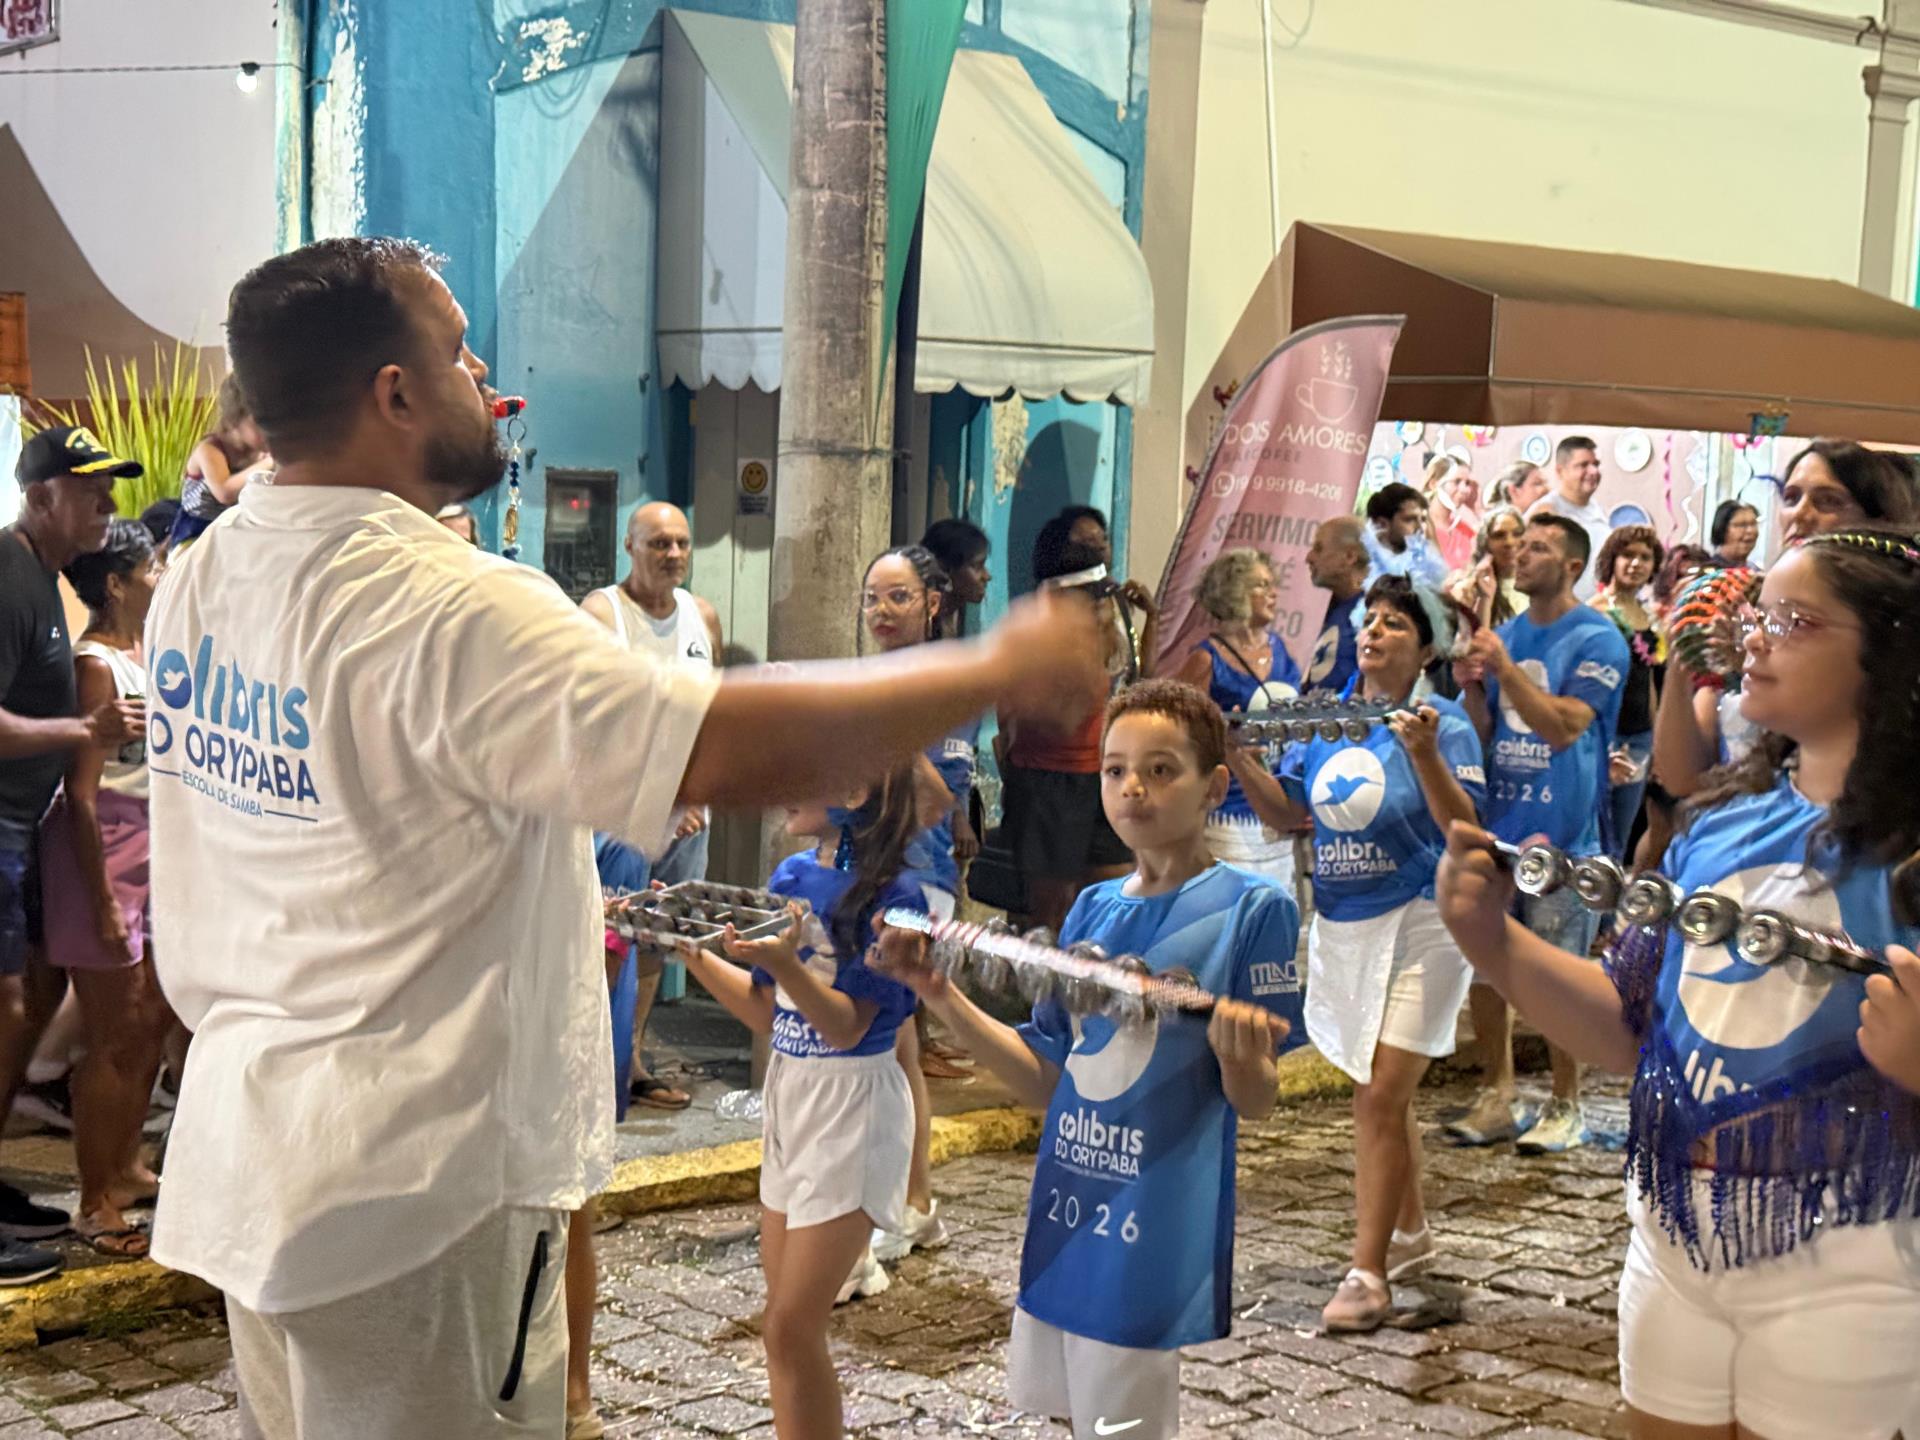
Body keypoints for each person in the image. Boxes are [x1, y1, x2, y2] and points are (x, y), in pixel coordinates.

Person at [144, 236, 1104, 1439]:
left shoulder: (206, 570)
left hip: (254, 1159)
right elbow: (719, 743)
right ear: (393, 393)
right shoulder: (442, 600)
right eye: (453, 347)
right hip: (418, 1192)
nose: (481, 366)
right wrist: (998, 665)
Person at [1434, 522, 1920, 1439]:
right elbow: (1626, 1027)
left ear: (1893, 654)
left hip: (1862, 1263)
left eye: (1796, 621)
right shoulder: (1716, 825)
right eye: (1759, 614)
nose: (1754, 637)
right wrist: (1489, 941)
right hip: (1674, 1250)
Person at [880, 679, 1301, 1440]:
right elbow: (1046, 1077)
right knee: (1071, 1416)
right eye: (1114, 769)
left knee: (1125, 1426)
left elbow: (1258, 1100)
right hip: (1066, 1207)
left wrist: (1241, 1059)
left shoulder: (1252, 909)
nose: (1132, 786)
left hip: (1154, 1226)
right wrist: (937, 995)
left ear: (1213, 787)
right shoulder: (1091, 909)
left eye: (1161, 769)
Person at [1230, 577, 1484, 1332]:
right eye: (1369, 620)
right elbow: (1288, 816)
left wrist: (1427, 754)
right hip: (1345, 923)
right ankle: (1407, 1236)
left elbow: (1464, 827)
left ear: (1426, 646)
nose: (1374, 632)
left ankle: (1366, 1274)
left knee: (1377, 1093)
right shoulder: (1332, 722)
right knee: (1379, 1087)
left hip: (1423, 920)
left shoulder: (1446, 723)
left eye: (1395, 623)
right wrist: (1238, 758)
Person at [669, 766, 926, 1439]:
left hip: (854, 1108)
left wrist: (785, 964)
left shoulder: (895, 899)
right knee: (782, 1326)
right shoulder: (788, 877)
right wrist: (689, 948)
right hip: (792, 1094)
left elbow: (848, 1028)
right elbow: (765, 1009)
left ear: (853, 792)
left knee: (792, 1324)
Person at [0, 428, 145, 1286]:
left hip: (20, 831)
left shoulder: (38, 578)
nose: (109, 504)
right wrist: (81, 731)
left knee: (27, 1007)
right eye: (92, 488)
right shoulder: (10, 574)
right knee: (10, 1011)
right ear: (43, 491)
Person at [1447, 514, 1628, 1153]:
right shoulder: (1509, 633)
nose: (1522, 556)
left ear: (1573, 565)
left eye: (1540, 548)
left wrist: (1504, 666)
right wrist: (1474, 689)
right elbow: (1490, 732)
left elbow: (1562, 728)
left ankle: (1566, 1103)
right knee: (1485, 968)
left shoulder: (1598, 638)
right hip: (1500, 827)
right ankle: (1499, 1093)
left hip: (1565, 838)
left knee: (1558, 973)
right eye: (1520, 546)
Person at [1654, 439, 1920, 803]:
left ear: (1880, 522)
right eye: (1791, 497)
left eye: (1828, 501)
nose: (1801, 514)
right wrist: (1683, 648)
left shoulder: (1896, 621)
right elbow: (1682, 778)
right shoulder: (1743, 605)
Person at [40, 520, 169, 1258]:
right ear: (115, 583)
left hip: (148, 848)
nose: (159, 575)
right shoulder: (97, 666)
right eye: (148, 566)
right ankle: (94, 1200)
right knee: (113, 1032)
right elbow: (82, 794)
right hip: (105, 855)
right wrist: (98, 903)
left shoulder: (144, 653)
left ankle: (123, 1165)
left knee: (148, 1017)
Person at [582, 502, 723, 1113]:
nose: (672, 555)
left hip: (691, 811)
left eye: (682, 544)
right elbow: (591, 721)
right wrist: (655, 798)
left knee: (659, 937)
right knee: (610, 938)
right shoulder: (601, 614)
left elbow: (711, 714)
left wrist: (694, 791)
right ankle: (596, 1071)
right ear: (630, 547)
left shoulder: (703, 617)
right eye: (658, 543)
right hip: (622, 816)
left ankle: (631, 1057)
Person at [858, 544, 971, 1265]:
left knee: (901, 1053)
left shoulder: (944, 681)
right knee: (880, 1051)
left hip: (915, 882)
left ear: (931, 603)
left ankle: (917, 1199)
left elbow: (937, 802)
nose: (882, 612)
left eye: (897, 597)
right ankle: (888, 1196)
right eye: (872, 598)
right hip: (863, 879)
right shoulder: (870, 678)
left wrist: (884, 734)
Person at [998, 531, 1137, 935]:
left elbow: (1136, 680)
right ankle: (1045, 994)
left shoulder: (1103, 636)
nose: (1101, 605)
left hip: (1099, 776)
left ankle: (1095, 989)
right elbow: (1027, 717)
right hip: (1047, 781)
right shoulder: (1036, 640)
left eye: (1101, 596)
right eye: (1091, 597)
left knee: (1112, 894)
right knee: (1051, 908)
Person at [1174, 548, 1302, 889]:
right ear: (1234, 592)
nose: (1274, 593)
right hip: (1229, 814)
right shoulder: (1205, 659)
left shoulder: (1281, 649)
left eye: (1273, 584)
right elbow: (1177, 734)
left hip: (1278, 807)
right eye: (1261, 585)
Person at [1588, 526, 1664, 863]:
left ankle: (1608, 914)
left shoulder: (1650, 617)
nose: (1636, 564)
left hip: (1639, 738)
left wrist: (1657, 733)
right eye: (1628, 555)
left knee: (1620, 835)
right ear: (1611, 561)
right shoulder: (1593, 611)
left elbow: (1649, 680)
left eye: (1645, 557)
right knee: (1593, 829)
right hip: (1601, 736)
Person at [170, 373, 273, 551]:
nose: (270, 430)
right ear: (234, 420)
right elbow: (224, 492)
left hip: (236, 528)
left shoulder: (260, 453)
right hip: (198, 531)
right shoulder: (210, 450)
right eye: (261, 422)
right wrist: (269, 462)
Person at [1525, 436, 1610, 602]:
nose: (1593, 472)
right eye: (1583, 465)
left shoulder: (1598, 510)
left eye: (1596, 464)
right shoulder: (1547, 511)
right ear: (1560, 471)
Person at [1303, 516, 1368, 696]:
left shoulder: (1374, 612)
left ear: (1349, 556)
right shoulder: (1333, 608)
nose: (1308, 558)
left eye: (1319, 548)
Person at [1447, 505, 1525, 630]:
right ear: (1485, 543)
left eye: (1517, 534)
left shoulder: (1540, 586)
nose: (1509, 542)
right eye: (1499, 535)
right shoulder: (1468, 591)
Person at [1361, 483, 1448, 589]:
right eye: (1410, 519)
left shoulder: (1427, 566)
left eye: (1423, 520)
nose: (1420, 528)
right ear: (1382, 524)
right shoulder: (1361, 570)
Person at [920, 518, 991, 634]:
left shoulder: (951, 617)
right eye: (977, 566)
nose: (987, 576)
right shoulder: (919, 627)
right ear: (946, 568)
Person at [1426, 456, 1481, 574]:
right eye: (1457, 482)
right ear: (1434, 484)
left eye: (1467, 483)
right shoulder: (1418, 525)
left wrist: (1477, 509)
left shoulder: (1464, 530)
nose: (1465, 490)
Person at [1708, 499, 1759, 569]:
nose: (1750, 530)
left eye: (1753, 524)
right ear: (1722, 528)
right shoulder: (1709, 573)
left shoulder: (1757, 573)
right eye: (1742, 525)